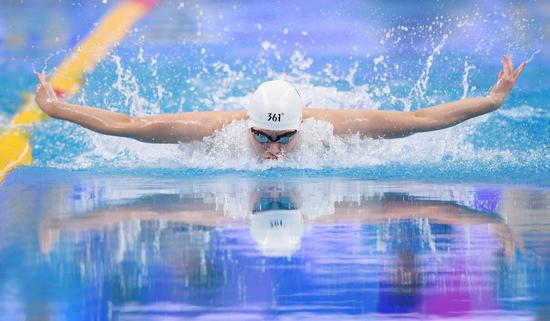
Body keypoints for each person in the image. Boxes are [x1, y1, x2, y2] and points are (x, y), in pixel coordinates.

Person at [34, 56, 526, 160]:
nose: (273, 150)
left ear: (301, 125)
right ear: (245, 124)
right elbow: (131, 127)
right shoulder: (210, 131)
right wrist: (56, 110)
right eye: (263, 137)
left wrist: (492, 100)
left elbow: (420, 122)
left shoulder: (331, 128)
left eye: (283, 138)